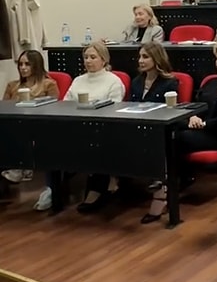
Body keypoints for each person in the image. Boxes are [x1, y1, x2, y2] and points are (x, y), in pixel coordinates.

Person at [142, 42, 217, 223]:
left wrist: (206, 123)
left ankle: (166, 185)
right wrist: (193, 117)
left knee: (178, 138)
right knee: (170, 130)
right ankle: (168, 181)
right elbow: (197, 104)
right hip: (200, 128)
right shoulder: (212, 82)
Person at [63, 42, 126, 214]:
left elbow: (115, 108)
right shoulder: (78, 80)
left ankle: (98, 188)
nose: (88, 61)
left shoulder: (114, 81)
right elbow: (65, 104)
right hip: (77, 126)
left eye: (93, 57)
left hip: (103, 128)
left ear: (103, 60)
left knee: (94, 144)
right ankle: (56, 190)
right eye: (85, 57)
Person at [1, 50, 59, 193]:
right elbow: (4, 107)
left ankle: (20, 168)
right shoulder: (12, 85)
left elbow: (55, 108)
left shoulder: (48, 84)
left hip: (38, 124)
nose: (23, 67)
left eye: (27, 64)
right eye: (20, 64)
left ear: (36, 66)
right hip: (13, 123)